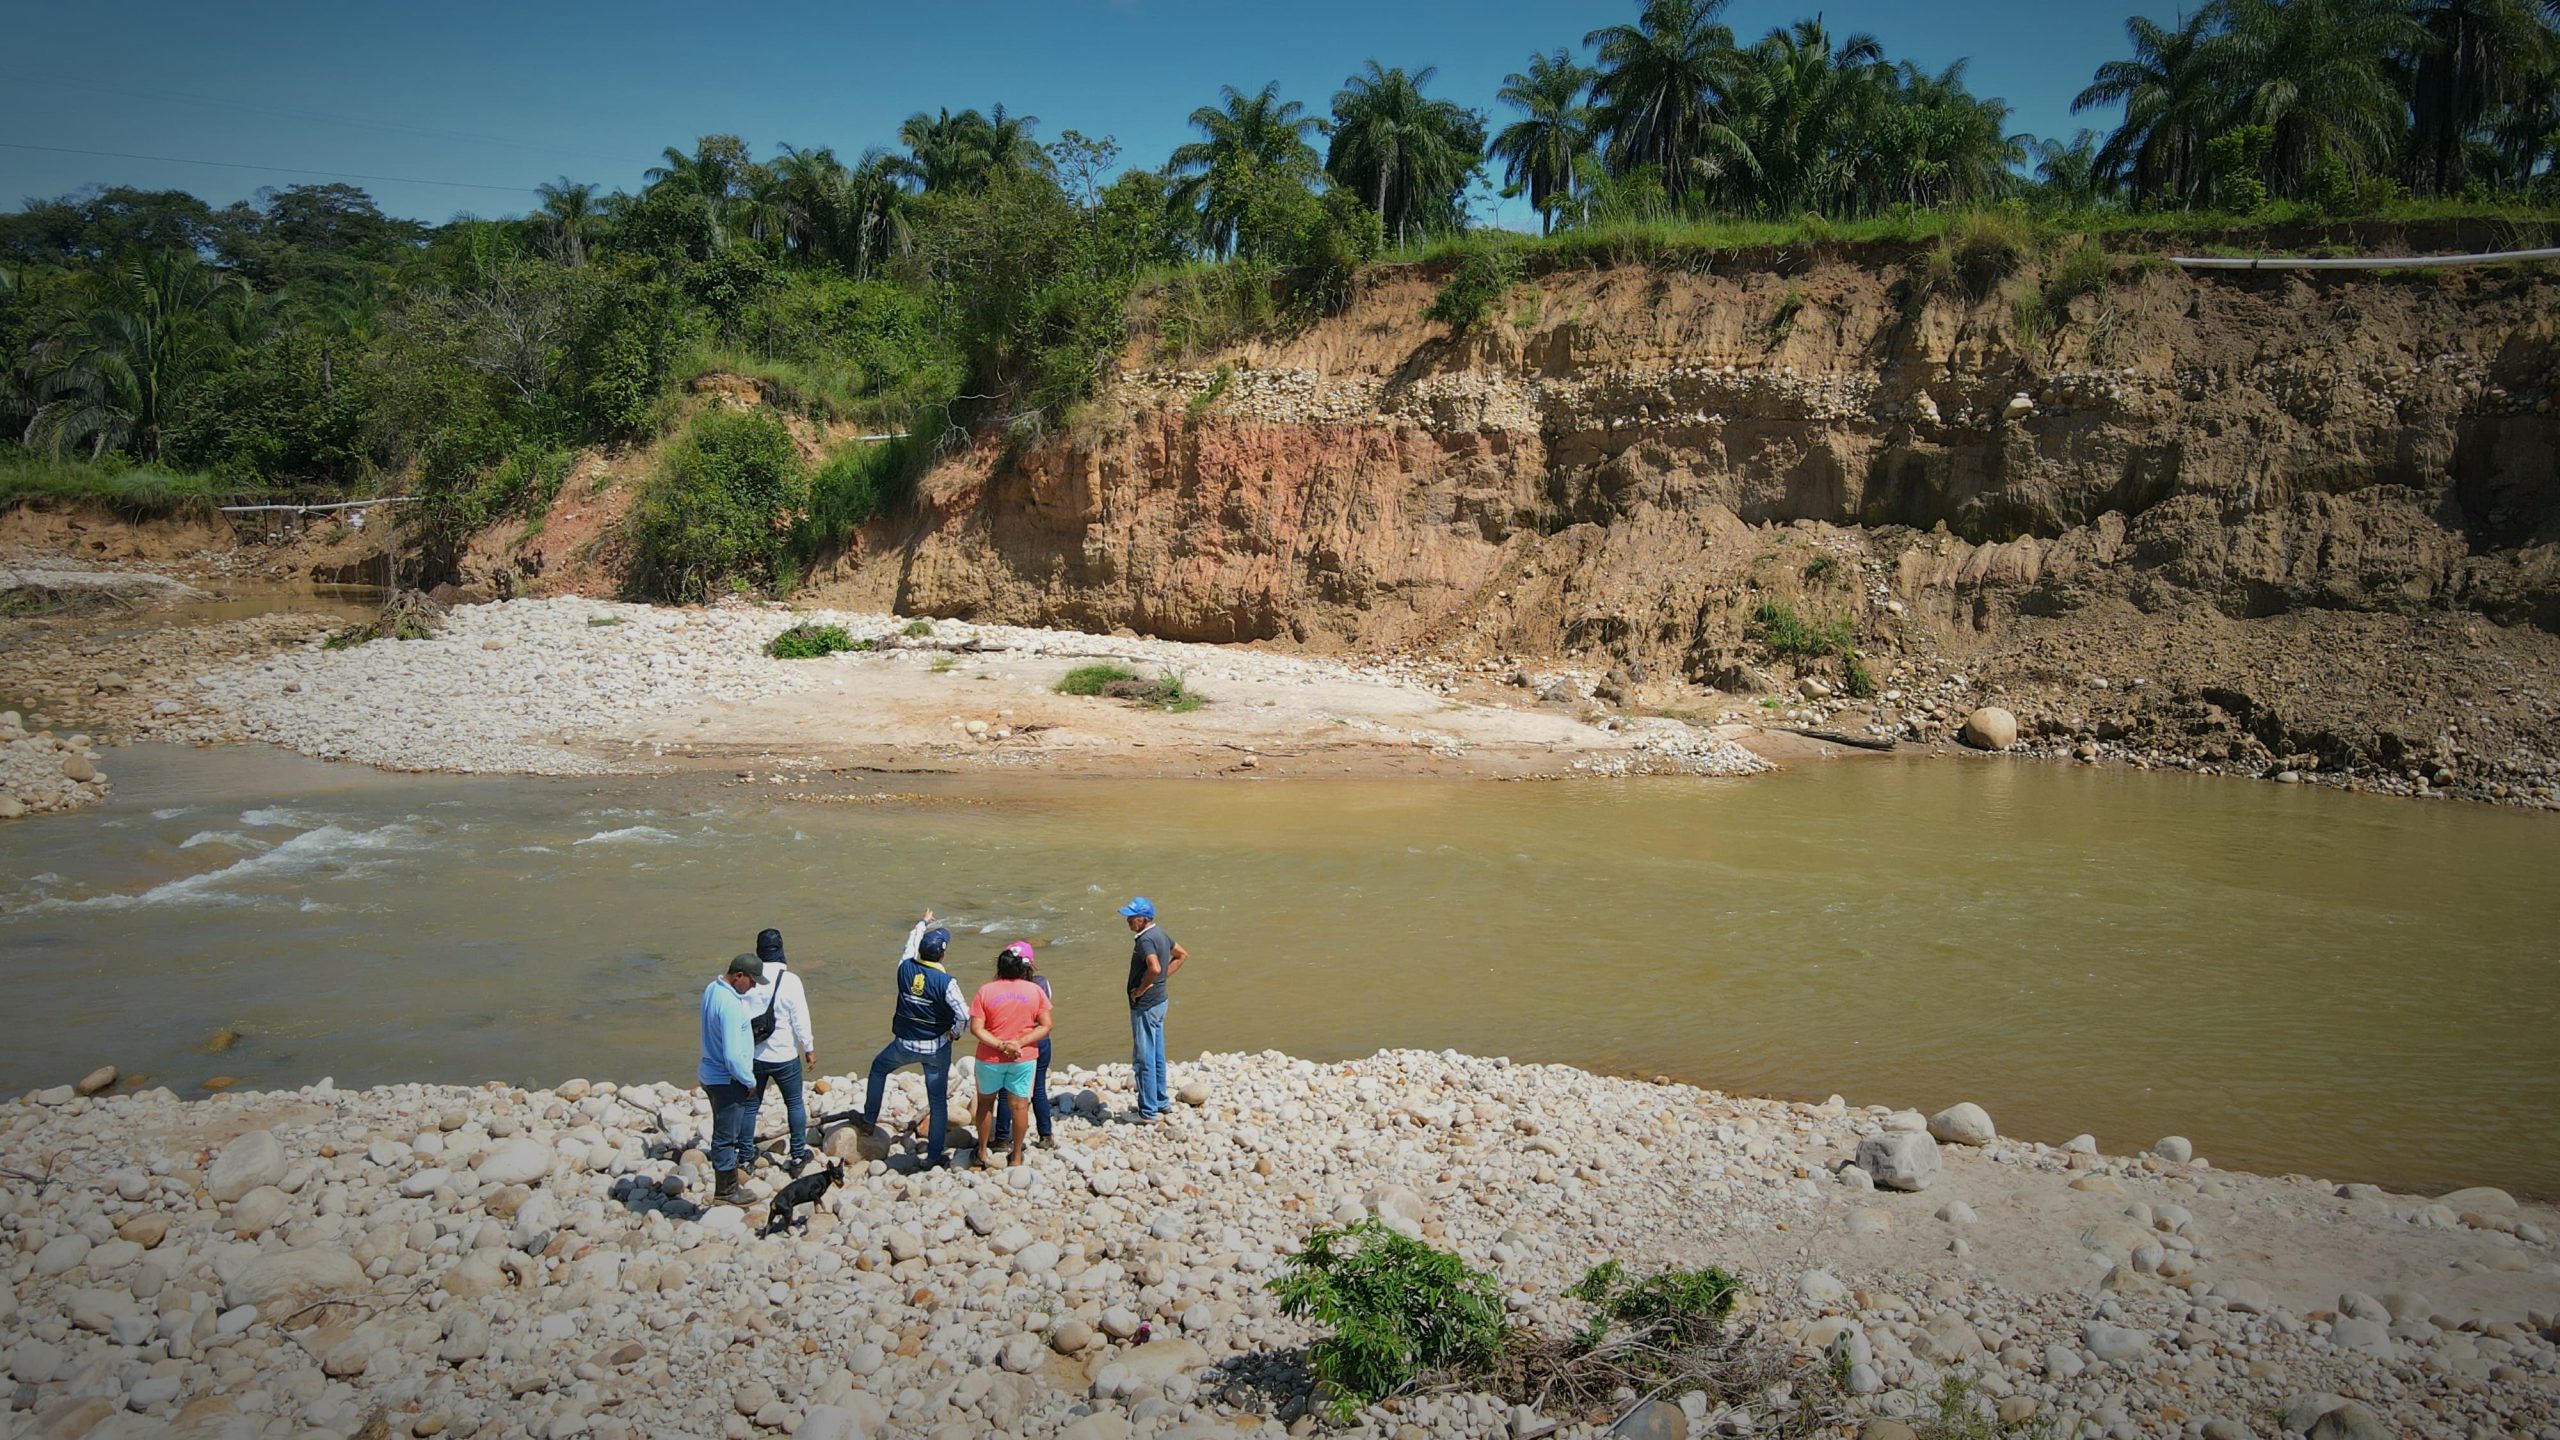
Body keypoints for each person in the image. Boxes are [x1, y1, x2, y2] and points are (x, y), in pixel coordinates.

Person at [855, 909, 970, 1168]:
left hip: (903, 1044)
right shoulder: (946, 982)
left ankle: (869, 1119)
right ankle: (932, 1156)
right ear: (942, 954)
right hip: (936, 1049)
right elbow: (964, 1014)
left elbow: (909, 944)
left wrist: (922, 922)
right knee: (938, 1103)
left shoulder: (905, 967)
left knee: (878, 1069)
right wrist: (955, 1033)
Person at [969, 942, 1054, 1167]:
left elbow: (976, 1028)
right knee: (1020, 1106)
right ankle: (1016, 1155)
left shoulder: (985, 990)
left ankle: (982, 1151)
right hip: (1023, 1057)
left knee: (986, 1104)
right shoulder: (1035, 990)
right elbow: (1046, 1025)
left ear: (999, 968)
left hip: (990, 1057)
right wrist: (1019, 1043)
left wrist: (1000, 1044)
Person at [746, 927, 816, 1174]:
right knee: (794, 1103)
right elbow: (800, 1019)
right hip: (785, 1055)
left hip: (753, 1055)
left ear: (758, 950)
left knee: (751, 1107)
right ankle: (797, 1156)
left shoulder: (748, 978)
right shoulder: (791, 980)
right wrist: (808, 1048)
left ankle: (745, 1156)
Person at [698, 953, 763, 1205]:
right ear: (738, 976)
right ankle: (726, 1192)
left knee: (723, 1133)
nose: (754, 985)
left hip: (709, 1073)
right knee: (726, 1137)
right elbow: (734, 1056)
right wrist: (749, 1081)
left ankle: (728, 1186)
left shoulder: (712, 989)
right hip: (727, 1080)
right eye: (752, 980)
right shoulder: (732, 1007)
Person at [1120, 896, 1186, 1122]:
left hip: (1146, 1006)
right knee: (1157, 1053)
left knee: (1143, 1058)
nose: (1127, 920)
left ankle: (1148, 1111)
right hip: (1160, 1002)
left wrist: (1141, 988)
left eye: (1131, 917)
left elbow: (1154, 967)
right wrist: (1160, 980)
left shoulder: (1145, 940)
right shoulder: (1162, 934)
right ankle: (1161, 1102)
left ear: (1143, 918)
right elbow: (1182, 955)